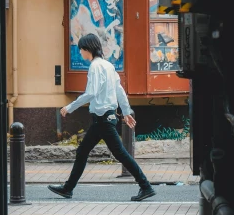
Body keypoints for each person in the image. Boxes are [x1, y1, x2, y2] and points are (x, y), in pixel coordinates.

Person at [48, 33, 156, 202]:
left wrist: (69, 107)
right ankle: (68, 188)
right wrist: (126, 112)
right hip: (104, 118)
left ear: (87, 49)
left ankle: (146, 186)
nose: (81, 53)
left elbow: (91, 93)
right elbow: (120, 90)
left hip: (103, 119)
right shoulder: (108, 66)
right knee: (83, 151)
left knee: (120, 153)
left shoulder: (95, 67)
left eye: (81, 50)